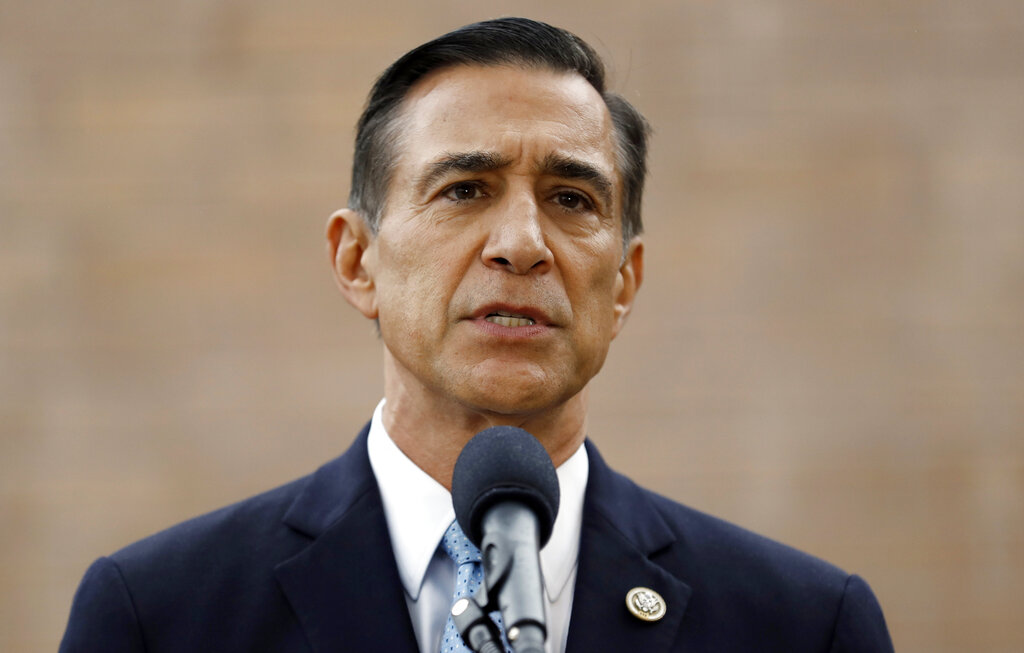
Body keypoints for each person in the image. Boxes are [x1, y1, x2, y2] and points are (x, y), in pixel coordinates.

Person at [60, 18, 894, 653]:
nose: (523, 243)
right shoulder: (160, 615)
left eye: (572, 199)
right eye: (465, 189)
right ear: (358, 262)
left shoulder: (802, 624)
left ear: (624, 283)